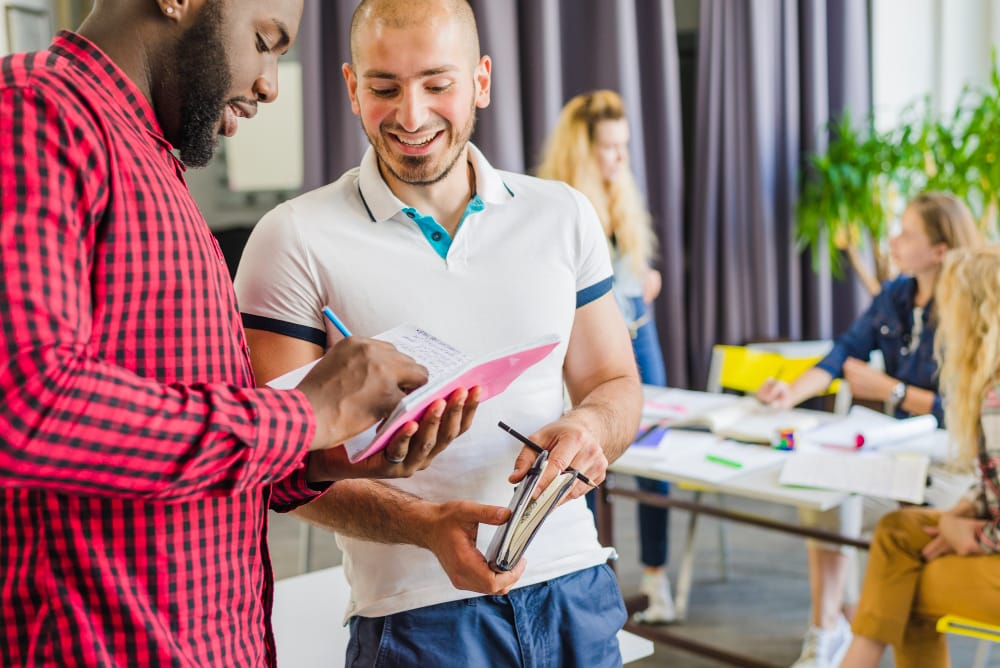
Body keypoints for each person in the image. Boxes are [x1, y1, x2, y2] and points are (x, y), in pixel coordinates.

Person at [0, 1, 476, 665]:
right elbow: (30, 405)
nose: (268, 85)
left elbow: (178, 446)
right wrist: (305, 414)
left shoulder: (151, 160)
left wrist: (320, 456)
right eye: (264, 41)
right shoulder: (35, 112)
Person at [234, 0, 643, 665]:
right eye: (384, 88)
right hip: (415, 617)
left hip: (574, 586)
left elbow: (614, 381)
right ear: (351, 87)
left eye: (437, 84)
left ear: (481, 81)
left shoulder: (563, 214)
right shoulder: (292, 238)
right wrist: (422, 526)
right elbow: (274, 463)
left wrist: (591, 426)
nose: (412, 115)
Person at [755, 192, 981, 668]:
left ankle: (859, 642)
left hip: (949, 464)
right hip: (896, 449)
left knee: (904, 541)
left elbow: (965, 410)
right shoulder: (895, 295)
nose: (893, 241)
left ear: (939, 249)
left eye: (907, 233)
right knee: (823, 492)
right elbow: (843, 353)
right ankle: (827, 629)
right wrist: (789, 393)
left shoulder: (969, 308)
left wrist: (891, 391)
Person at [536, 89, 675, 625]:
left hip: (640, 328)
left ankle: (657, 577)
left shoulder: (622, 195)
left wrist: (644, 278)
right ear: (582, 149)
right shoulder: (561, 205)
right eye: (609, 148)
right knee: (587, 453)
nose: (620, 158)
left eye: (624, 146)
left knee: (656, 449)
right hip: (590, 340)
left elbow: (631, 269)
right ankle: (593, 574)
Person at [839, 245, 1000, 668]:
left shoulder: (996, 401)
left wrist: (978, 536)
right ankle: (858, 658)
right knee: (897, 532)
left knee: (902, 586)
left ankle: (855, 660)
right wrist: (965, 510)